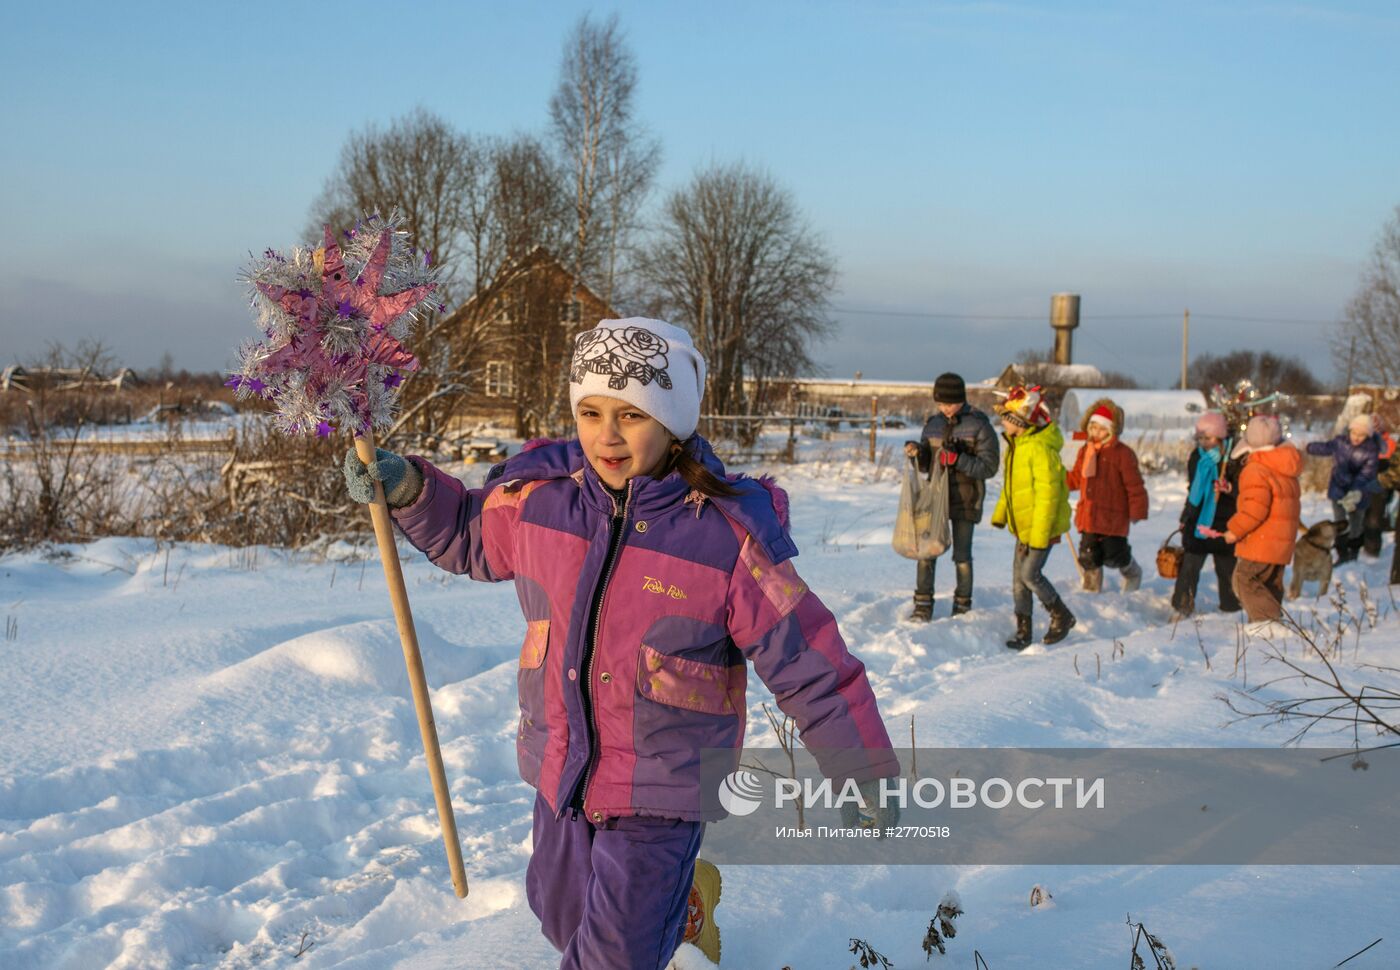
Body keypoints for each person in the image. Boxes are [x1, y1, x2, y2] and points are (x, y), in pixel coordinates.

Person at [342, 318, 899, 969]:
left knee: (610, 957)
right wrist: (410, 489)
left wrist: (861, 771)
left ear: (673, 424)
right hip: (564, 765)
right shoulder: (543, 504)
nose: (607, 434)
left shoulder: (724, 539)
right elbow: (469, 533)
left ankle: (660, 914)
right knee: (560, 915)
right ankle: (682, 909)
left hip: (664, 782)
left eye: (632, 415)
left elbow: (811, 665)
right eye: (591, 411)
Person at [901, 372, 999, 621]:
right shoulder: (933, 424)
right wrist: (918, 452)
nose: (945, 409)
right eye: (940, 404)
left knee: (962, 555)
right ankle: (923, 604)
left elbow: (989, 467)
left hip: (966, 498)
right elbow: (926, 465)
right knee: (926, 551)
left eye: (949, 403)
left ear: (961, 399)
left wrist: (959, 460)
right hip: (935, 500)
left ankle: (963, 604)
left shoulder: (979, 425)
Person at [989, 385, 1075, 649]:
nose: (1002, 422)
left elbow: (1047, 498)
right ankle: (1023, 631)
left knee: (1030, 574)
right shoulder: (1015, 446)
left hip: (1042, 529)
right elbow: (1012, 488)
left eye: (1005, 417)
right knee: (1018, 582)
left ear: (1019, 421)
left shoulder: (1039, 449)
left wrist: (1039, 536)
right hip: (1023, 527)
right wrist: (1002, 514)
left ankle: (1061, 615)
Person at [1224, 415, 1303, 636]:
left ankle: (1268, 626)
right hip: (1282, 540)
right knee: (1270, 583)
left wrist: (1234, 530)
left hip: (1261, 540)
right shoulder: (1285, 466)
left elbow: (1255, 509)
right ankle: (1267, 624)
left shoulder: (1256, 469)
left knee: (1244, 579)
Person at [1065, 400, 1148, 593]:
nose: (1095, 432)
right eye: (1092, 427)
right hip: (1089, 513)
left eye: (1101, 429)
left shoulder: (1122, 454)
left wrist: (1137, 510)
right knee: (1088, 555)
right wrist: (1058, 482)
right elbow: (1077, 477)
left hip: (1113, 515)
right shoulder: (1085, 451)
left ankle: (1132, 572)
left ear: (1111, 430)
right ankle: (1091, 588)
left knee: (1114, 554)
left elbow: (1134, 485)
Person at [1171, 411, 1243, 617]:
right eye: (1200, 438)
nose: (1204, 443)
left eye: (1208, 438)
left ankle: (1231, 609)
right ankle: (1182, 605)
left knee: (1227, 569)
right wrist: (1186, 516)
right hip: (1199, 518)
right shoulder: (1197, 457)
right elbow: (1193, 489)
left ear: (1220, 437)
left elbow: (1244, 489)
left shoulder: (1234, 458)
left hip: (1225, 521)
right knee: (1189, 567)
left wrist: (1229, 487)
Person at [1306, 414, 1381, 564]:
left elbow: (1367, 473)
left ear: (1367, 435)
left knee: (1355, 523)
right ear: (1349, 430)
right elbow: (1326, 447)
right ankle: (1342, 552)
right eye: (1354, 433)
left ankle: (1353, 551)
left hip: (1359, 494)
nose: (1357, 437)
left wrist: (1354, 491)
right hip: (1338, 490)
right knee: (1340, 522)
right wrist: (1309, 447)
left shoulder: (1371, 450)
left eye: (1361, 435)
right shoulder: (1340, 442)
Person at [1362, 415, 1395, 557]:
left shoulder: (1390, 443)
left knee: (1374, 518)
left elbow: (1392, 468)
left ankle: (1372, 550)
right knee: (1362, 516)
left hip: (1380, 486)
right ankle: (1361, 545)